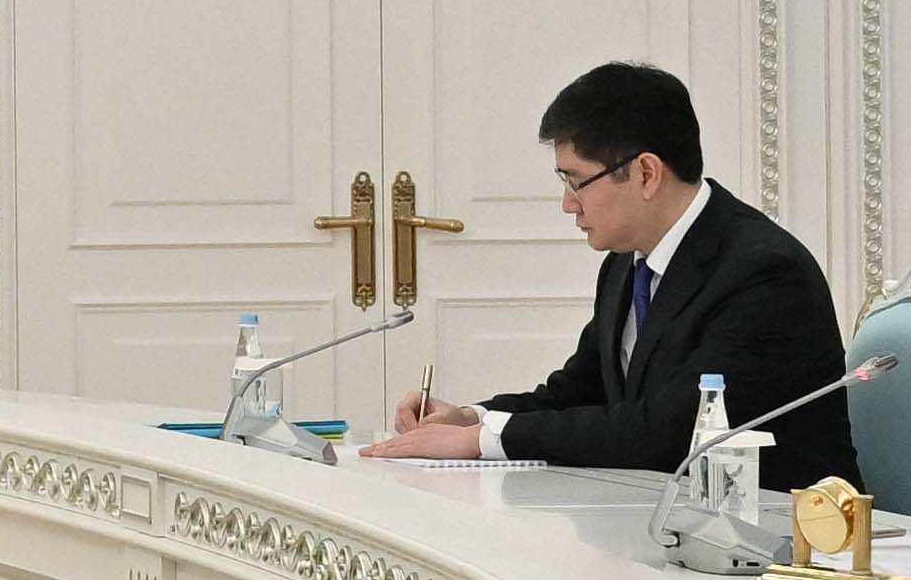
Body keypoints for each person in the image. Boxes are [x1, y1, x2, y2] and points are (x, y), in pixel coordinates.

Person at [362, 62, 858, 494]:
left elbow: (670, 432)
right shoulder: (626, 263)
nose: (568, 204)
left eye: (577, 182)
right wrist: (473, 417)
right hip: (663, 514)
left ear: (646, 173)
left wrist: (481, 442)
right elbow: (580, 392)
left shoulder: (764, 273)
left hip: (784, 537)